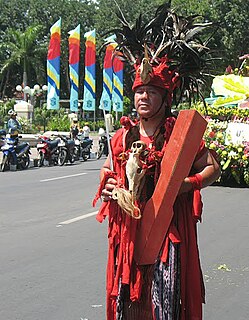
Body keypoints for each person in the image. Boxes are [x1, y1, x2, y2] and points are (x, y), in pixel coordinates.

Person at [93, 4, 221, 320]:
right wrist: (108, 185)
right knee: (130, 303)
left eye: (151, 92)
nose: (143, 98)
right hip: (129, 229)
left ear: (166, 97)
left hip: (168, 227)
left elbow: (212, 169)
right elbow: (109, 170)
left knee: (165, 300)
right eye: (139, 92)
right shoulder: (123, 135)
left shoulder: (181, 134)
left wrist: (185, 185)